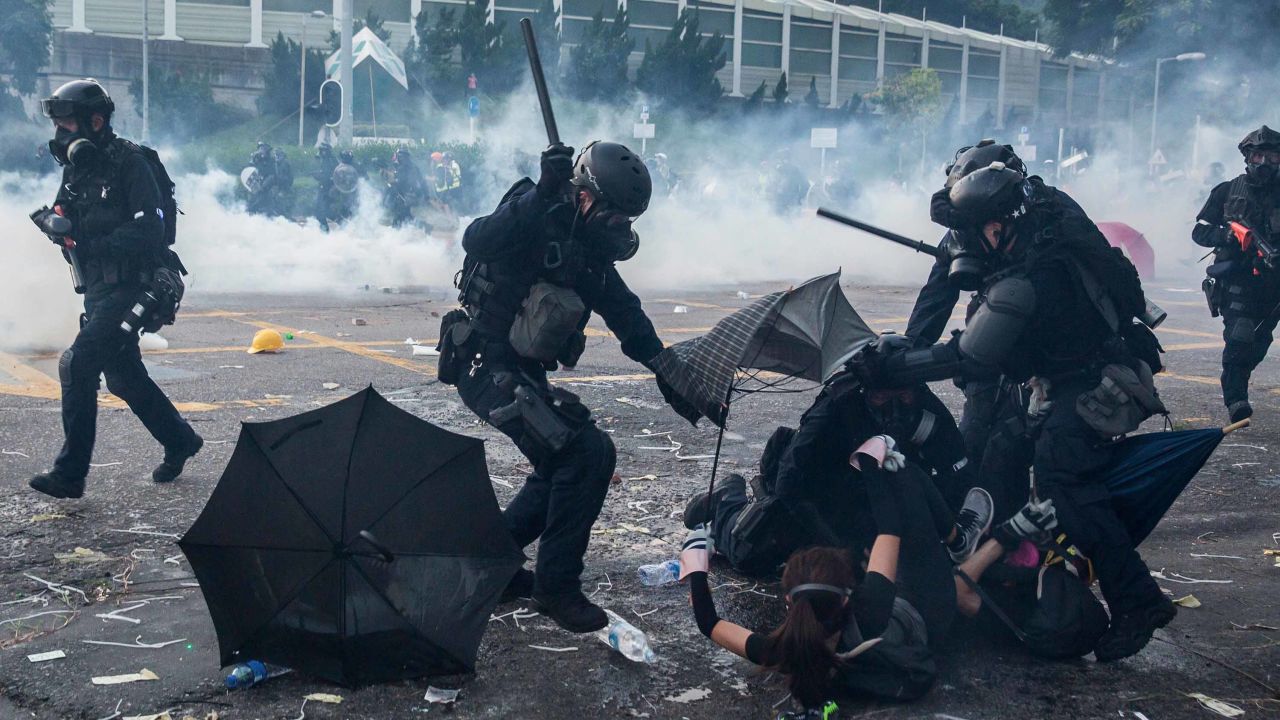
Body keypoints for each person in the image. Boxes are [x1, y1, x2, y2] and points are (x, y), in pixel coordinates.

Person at [864, 161, 1176, 662]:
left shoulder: (1030, 276)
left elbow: (969, 356)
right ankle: (1001, 569)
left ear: (997, 224)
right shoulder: (1038, 225)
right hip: (1062, 374)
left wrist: (896, 367)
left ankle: (1139, 600)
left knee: (1062, 477)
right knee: (1002, 449)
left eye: (973, 232)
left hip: (1095, 381)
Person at [440, 141, 702, 632]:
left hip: (521, 370)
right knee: (583, 453)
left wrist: (667, 370)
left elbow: (624, 311)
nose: (621, 230)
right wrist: (539, 194)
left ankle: (487, 563)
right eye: (615, 217)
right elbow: (476, 239)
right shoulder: (533, 209)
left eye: (628, 221)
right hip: (483, 363)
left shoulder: (585, 251)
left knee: (564, 458)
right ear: (585, 198)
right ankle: (556, 588)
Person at [681, 435, 1053, 713]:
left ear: (789, 600)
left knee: (917, 568)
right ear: (848, 595)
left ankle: (984, 547)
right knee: (906, 478)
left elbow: (708, 622)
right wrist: (872, 462)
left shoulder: (784, 651)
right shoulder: (872, 607)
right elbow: (890, 526)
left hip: (912, 628)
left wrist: (696, 560)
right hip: (928, 617)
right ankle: (969, 539)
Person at [28, 79, 203, 500]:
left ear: (95, 121)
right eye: (58, 125)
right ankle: (180, 441)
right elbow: (63, 211)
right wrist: (56, 226)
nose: (61, 133)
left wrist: (89, 240)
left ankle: (70, 475)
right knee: (124, 378)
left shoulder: (131, 163)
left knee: (77, 364)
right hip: (100, 289)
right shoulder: (77, 167)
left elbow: (151, 229)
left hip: (137, 285)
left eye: (68, 123)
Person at [683, 363, 991, 577]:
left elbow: (957, 475)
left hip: (872, 499)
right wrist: (837, 548)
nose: (895, 407)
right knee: (751, 555)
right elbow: (790, 486)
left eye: (904, 396)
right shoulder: (836, 407)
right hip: (816, 494)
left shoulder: (926, 411)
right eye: (883, 397)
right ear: (867, 392)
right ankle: (727, 501)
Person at [1193, 125, 1280, 422]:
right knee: (1240, 338)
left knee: (1259, 342)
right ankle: (1236, 399)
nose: (1264, 164)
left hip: (1274, 283)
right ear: (1248, 158)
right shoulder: (1229, 191)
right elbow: (1199, 231)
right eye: (1258, 156)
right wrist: (1227, 236)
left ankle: (1239, 377)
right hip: (1238, 282)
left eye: (1272, 157)